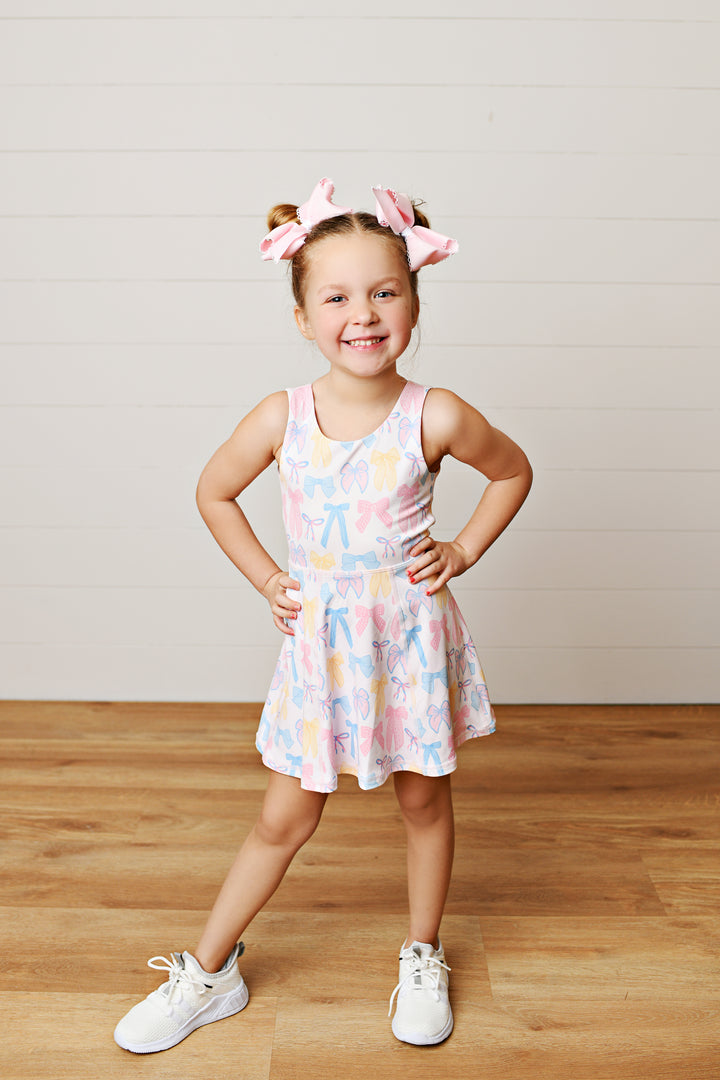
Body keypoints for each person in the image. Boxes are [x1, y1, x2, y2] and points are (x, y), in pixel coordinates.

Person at [114, 178, 532, 1054]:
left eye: (384, 292)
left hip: (409, 641)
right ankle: (210, 972)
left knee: (423, 801)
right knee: (285, 818)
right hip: (323, 649)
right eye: (337, 297)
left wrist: (462, 550)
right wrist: (268, 576)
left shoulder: (435, 413)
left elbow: (512, 471)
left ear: (413, 302)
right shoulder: (282, 416)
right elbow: (214, 491)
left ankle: (423, 952)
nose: (363, 315)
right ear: (303, 317)